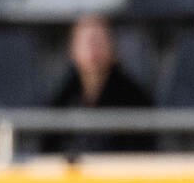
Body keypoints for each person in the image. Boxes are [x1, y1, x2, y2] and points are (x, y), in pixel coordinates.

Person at [46, 12, 153, 153]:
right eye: (85, 42)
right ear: (72, 49)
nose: (92, 49)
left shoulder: (135, 99)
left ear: (113, 47)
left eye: (98, 41)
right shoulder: (61, 100)